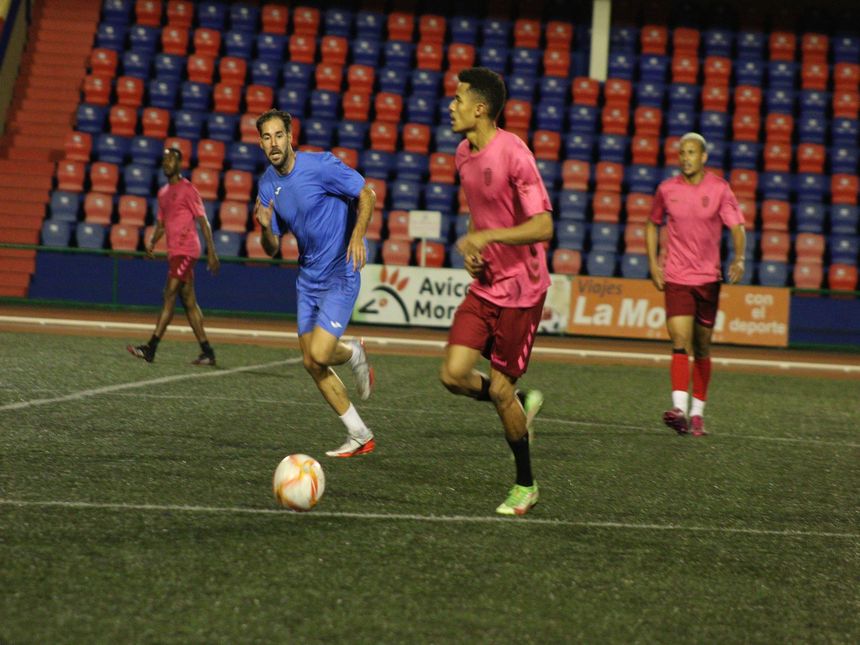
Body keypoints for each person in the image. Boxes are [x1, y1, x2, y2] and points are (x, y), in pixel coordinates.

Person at [439, 67, 554, 516]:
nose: (452, 106)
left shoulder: (515, 154)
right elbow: (478, 213)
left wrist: (488, 239)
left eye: (459, 99)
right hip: (486, 286)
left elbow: (544, 225)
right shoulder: (462, 156)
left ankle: (526, 484)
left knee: (500, 391)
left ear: (480, 108)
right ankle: (521, 404)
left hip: (523, 292)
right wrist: (474, 246)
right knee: (452, 375)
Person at [253, 109, 377, 458]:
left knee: (321, 352)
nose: (273, 143)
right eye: (266, 137)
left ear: (291, 136)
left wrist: (357, 235)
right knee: (312, 362)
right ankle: (359, 434)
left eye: (279, 135)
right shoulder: (266, 184)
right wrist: (264, 227)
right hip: (308, 278)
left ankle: (353, 352)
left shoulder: (320, 165)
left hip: (340, 270)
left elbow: (366, 193)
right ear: (261, 143)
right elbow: (272, 248)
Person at [646, 132, 746, 437]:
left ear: (703, 157)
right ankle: (678, 409)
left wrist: (739, 258)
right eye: (682, 153)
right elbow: (652, 223)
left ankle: (698, 413)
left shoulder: (719, 188)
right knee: (679, 340)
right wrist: (652, 263)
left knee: (702, 346)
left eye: (692, 153)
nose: (686, 157)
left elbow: (737, 226)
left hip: (708, 279)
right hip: (677, 277)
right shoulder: (666, 189)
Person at [127, 147, 220, 365]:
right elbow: (162, 224)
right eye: (165, 159)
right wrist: (152, 241)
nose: (166, 162)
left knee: (169, 294)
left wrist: (212, 252)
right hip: (174, 252)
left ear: (179, 164)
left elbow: (203, 221)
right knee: (188, 302)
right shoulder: (163, 193)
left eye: (171, 159)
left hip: (187, 250)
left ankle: (151, 347)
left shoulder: (188, 190)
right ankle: (207, 351)